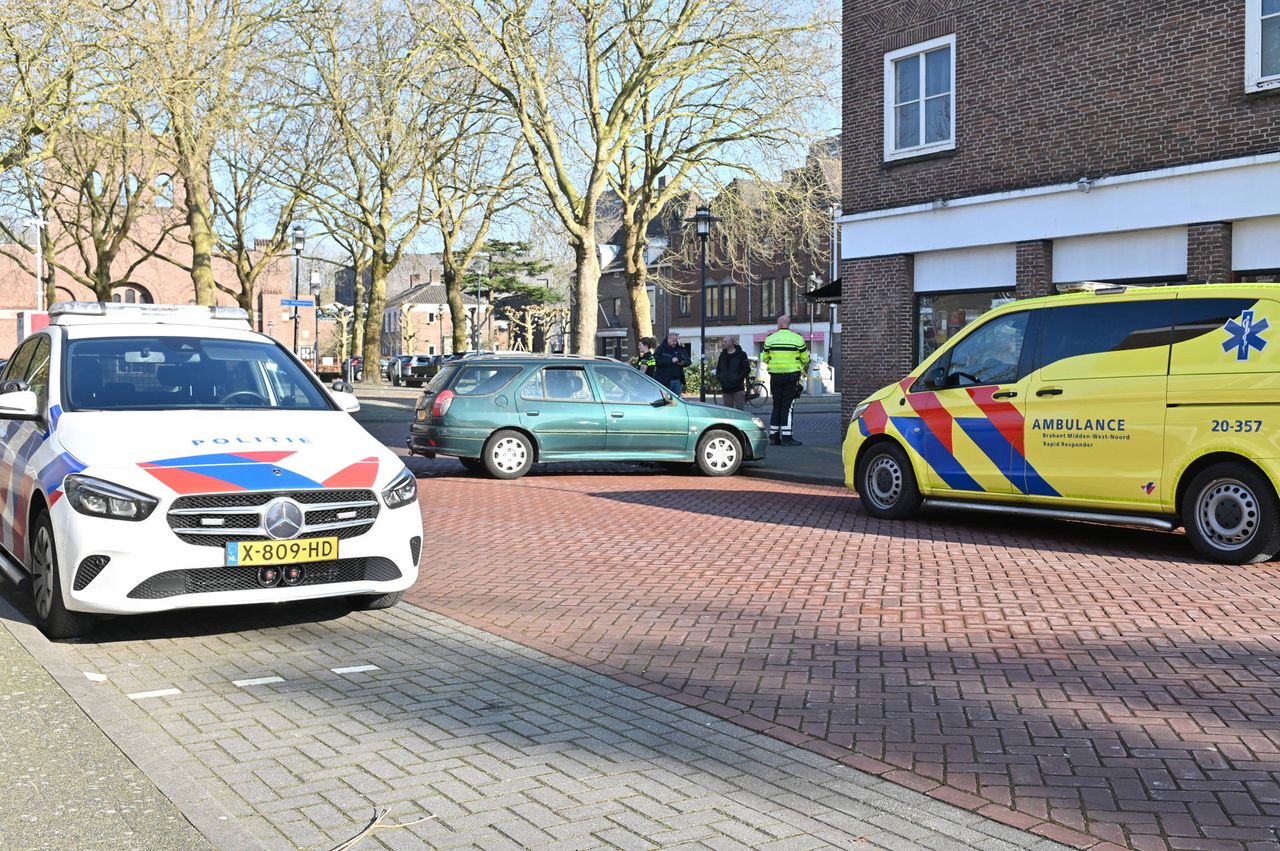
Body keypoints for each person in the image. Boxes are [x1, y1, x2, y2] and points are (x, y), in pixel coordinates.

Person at [760, 314, 809, 445]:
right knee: (787, 406)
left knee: (777, 405)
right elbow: (805, 358)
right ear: (788, 324)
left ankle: (774, 437)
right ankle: (787, 437)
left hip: (775, 376)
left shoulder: (770, 339)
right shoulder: (798, 339)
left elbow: (764, 358)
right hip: (791, 377)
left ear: (780, 324)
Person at [715, 335, 750, 410]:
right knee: (728, 412)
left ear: (731, 343)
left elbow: (746, 369)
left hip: (738, 388)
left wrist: (737, 379)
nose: (723, 343)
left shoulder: (742, 354)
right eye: (723, 341)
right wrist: (721, 379)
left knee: (740, 411)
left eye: (725, 341)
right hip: (725, 388)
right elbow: (719, 368)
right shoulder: (722, 355)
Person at [653, 330, 691, 395]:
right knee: (665, 401)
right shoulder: (661, 349)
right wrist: (671, 360)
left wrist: (683, 363)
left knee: (677, 402)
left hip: (677, 381)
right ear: (668, 339)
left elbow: (688, 361)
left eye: (676, 340)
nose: (675, 343)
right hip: (664, 381)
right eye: (673, 341)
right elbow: (657, 361)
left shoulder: (680, 349)